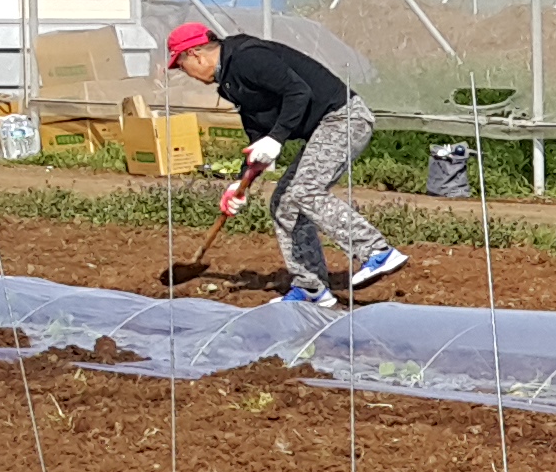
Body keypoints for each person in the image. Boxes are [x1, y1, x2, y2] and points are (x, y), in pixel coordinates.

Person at [165, 19, 406, 304]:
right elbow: (257, 132)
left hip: (343, 118)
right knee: (284, 202)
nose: (186, 73)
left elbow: (298, 92)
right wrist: (241, 181)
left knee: (305, 190)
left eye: (181, 66)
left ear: (195, 54)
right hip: (322, 128)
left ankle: (377, 251)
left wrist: (277, 139)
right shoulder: (228, 83)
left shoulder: (247, 57)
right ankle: (311, 288)